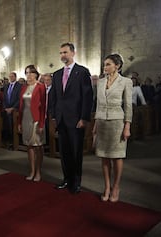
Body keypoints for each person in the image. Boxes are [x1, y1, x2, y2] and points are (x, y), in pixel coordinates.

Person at [48, 42, 93, 194]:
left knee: (75, 152)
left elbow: (87, 97)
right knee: (64, 152)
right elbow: (53, 96)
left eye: (65, 52)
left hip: (76, 119)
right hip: (61, 119)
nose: (63, 55)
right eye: (61, 53)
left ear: (73, 53)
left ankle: (76, 182)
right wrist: (54, 115)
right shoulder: (57, 74)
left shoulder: (82, 72)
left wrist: (84, 118)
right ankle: (66, 179)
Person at [93, 54, 132, 202]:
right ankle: (107, 186)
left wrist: (127, 125)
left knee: (117, 157)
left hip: (117, 122)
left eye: (108, 64)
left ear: (117, 66)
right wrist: (95, 125)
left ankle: (116, 187)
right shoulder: (101, 82)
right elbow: (97, 104)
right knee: (104, 157)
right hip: (102, 122)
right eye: (105, 64)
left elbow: (128, 105)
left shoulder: (126, 82)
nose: (105, 67)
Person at [18, 65, 46, 182]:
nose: (28, 75)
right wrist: (19, 122)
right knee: (29, 146)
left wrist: (41, 124)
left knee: (38, 146)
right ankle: (32, 171)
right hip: (25, 119)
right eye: (26, 73)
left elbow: (44, 107)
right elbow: (21, 106)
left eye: (30, 73)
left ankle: (39, 171)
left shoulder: (40, 87)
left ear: (35, 74)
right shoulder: (24, 88)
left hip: (36, 119)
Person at [2, 72, 22, 150]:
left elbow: (19, 99)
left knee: (13, 127)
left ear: (15, 77)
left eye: (12, 76)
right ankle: (7, 142)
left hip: (15, 110)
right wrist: (5, 108)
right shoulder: (6, 86)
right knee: (6, 126)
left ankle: (14, 143)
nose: (10, 78)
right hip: (6, 110)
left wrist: (13, 108)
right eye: (9, 76)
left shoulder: (19, 86)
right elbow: (4, 98)